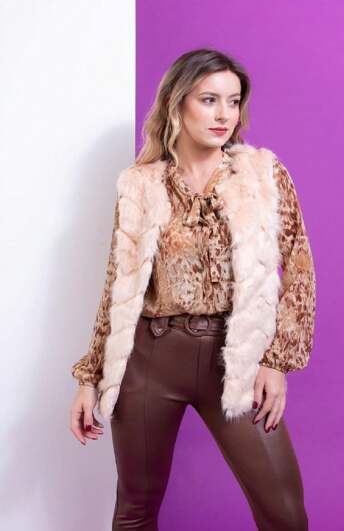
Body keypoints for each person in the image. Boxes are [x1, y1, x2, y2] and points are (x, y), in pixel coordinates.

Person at [69, 48, 316, 531]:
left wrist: (276, 362)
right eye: (209, 100)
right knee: (135, 510)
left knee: (285, 515)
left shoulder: (263, 175)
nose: (225, 114)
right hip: (150, 359)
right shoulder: (140, 185)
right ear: (177, 102)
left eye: (234, 101)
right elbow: (118, 287)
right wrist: (89, 377)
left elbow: (300, 271)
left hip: (234, 359)